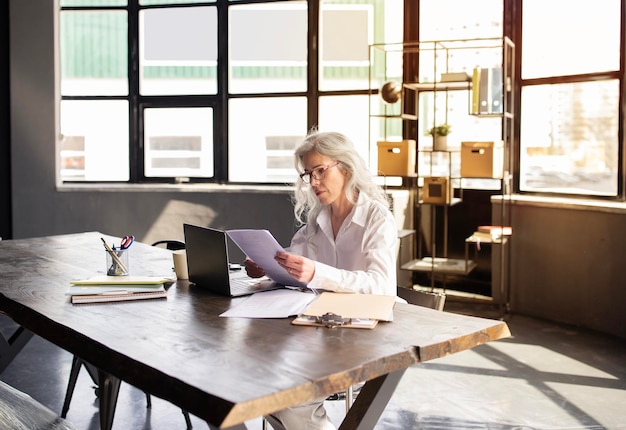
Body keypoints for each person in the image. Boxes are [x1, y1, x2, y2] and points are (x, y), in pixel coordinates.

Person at [245, 130, 398, 430]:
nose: (313, 182)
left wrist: (317, 272)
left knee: (287, 399)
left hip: (362, 335)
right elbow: (299, 263)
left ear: (346, 167)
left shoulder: (377, 218)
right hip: (316, 331)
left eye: (320, 171)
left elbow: (381, 286)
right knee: (259, 378)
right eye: (307, 174)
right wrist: (270, 265)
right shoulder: (317, 219)